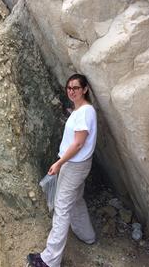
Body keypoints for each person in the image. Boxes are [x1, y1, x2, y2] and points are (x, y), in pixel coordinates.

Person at [27, 73, 97, 267]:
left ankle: (50, 260)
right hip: (78, 164)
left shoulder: (84, 112)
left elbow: (78, 144)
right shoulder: (82, 110)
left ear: (85, 89)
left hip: (74, 165)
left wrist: (59, 163)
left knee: (61, 208)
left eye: (76, 88)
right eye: (69, 88)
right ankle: (88, 236)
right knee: (76, 200)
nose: (71, 91)